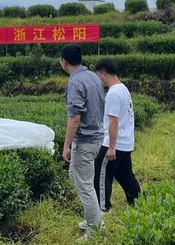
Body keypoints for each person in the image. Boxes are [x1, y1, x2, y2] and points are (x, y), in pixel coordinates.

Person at [59, 44, 104, 239]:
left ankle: (95, 230)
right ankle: (92, 218)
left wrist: (66, 145)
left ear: (64, 62)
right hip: (95, 137)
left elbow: (75, 118)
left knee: (85, 185)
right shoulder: (93, 76)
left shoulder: (75, 82)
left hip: (85, 141)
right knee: (77, 178)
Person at [93, 58, 141, 214]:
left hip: (114, 143)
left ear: (104, 73)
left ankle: (102, 208)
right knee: (125, 174)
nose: (99, 80)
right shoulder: (123, 88)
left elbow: (113, 121)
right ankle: (138, 201)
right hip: (125, 142)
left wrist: (111, 147)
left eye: (98, 76)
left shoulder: (113, 93)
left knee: (102, 175)